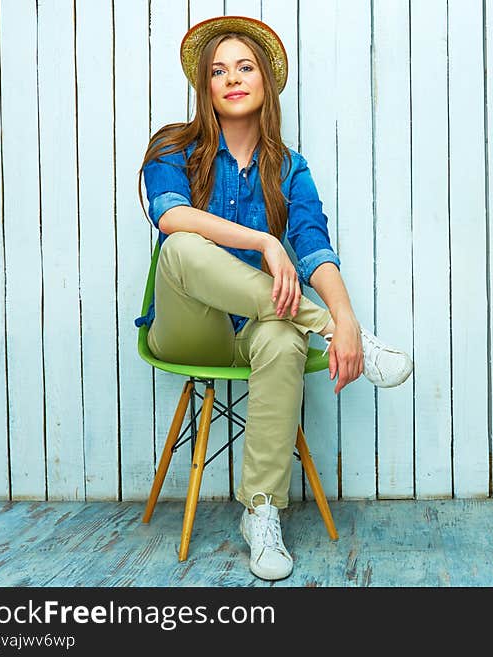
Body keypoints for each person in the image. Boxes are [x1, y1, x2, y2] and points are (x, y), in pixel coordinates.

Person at [136, 16, 413, 581]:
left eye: (245, 67)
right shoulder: (174, 147)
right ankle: (325, 327)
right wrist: (265, 241)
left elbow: (313, 247)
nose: (232, 78)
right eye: (219, 70)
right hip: (188, 323)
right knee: (182, 246)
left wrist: (350, 317)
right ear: (205, 87)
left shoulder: (288, 168)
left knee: (284, 338)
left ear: (265, 82)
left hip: (254, 329)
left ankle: (261, 513)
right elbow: (169, 215)